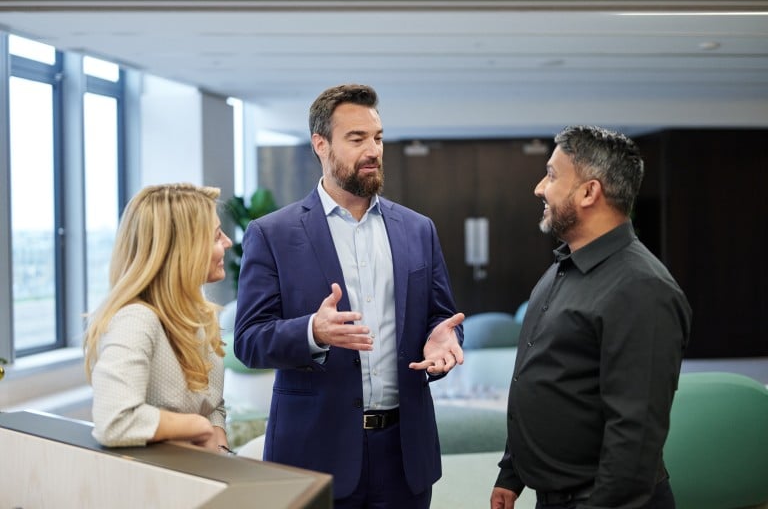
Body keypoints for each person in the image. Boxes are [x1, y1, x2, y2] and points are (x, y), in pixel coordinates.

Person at [234, 83, 465, 508]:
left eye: (377, 138)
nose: (373, 150)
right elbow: (249, 340)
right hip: (313, 454)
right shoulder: (273, 234)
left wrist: (444, 339)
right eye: (356, 139)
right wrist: (312, 332)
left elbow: (441, 317)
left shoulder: (418, 230)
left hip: (404, 455)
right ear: (321, 145)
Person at [491, 126, 692, 509]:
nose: (539, 188)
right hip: (555, 495)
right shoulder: (565, 266)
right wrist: (512, 472)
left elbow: (634, 437)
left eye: (551, 175)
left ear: (589, 192)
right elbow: (545, 375)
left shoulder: (641, 287)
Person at [84, 182, 233, 453]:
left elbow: (211, 405)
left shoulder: (200, 317)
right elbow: (114, 420)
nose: (228, 243)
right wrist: (197, 426)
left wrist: (220, 447)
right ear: (184, 250)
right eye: (215, 236)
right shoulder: (136, 320)